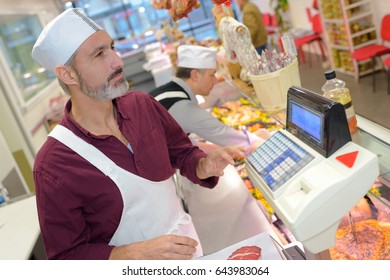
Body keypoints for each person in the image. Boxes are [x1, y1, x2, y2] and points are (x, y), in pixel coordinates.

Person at [31, 8, 245, 260]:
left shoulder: (141, 105)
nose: (118, 61)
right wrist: (132, 253)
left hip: (189, 250)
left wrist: (202, 164)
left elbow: (182, 153)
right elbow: (66, 257)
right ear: (67, 74)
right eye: (100, 54)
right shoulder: (53, 165)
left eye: (111, 47)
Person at [149, 44, 267, 153]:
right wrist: (254, 141)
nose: (215, 81)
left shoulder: (169, 91)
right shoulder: (180, 105)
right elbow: (221, 132)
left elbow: (185, 143)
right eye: (212, 75)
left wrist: (226, 149)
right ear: (195, 75)